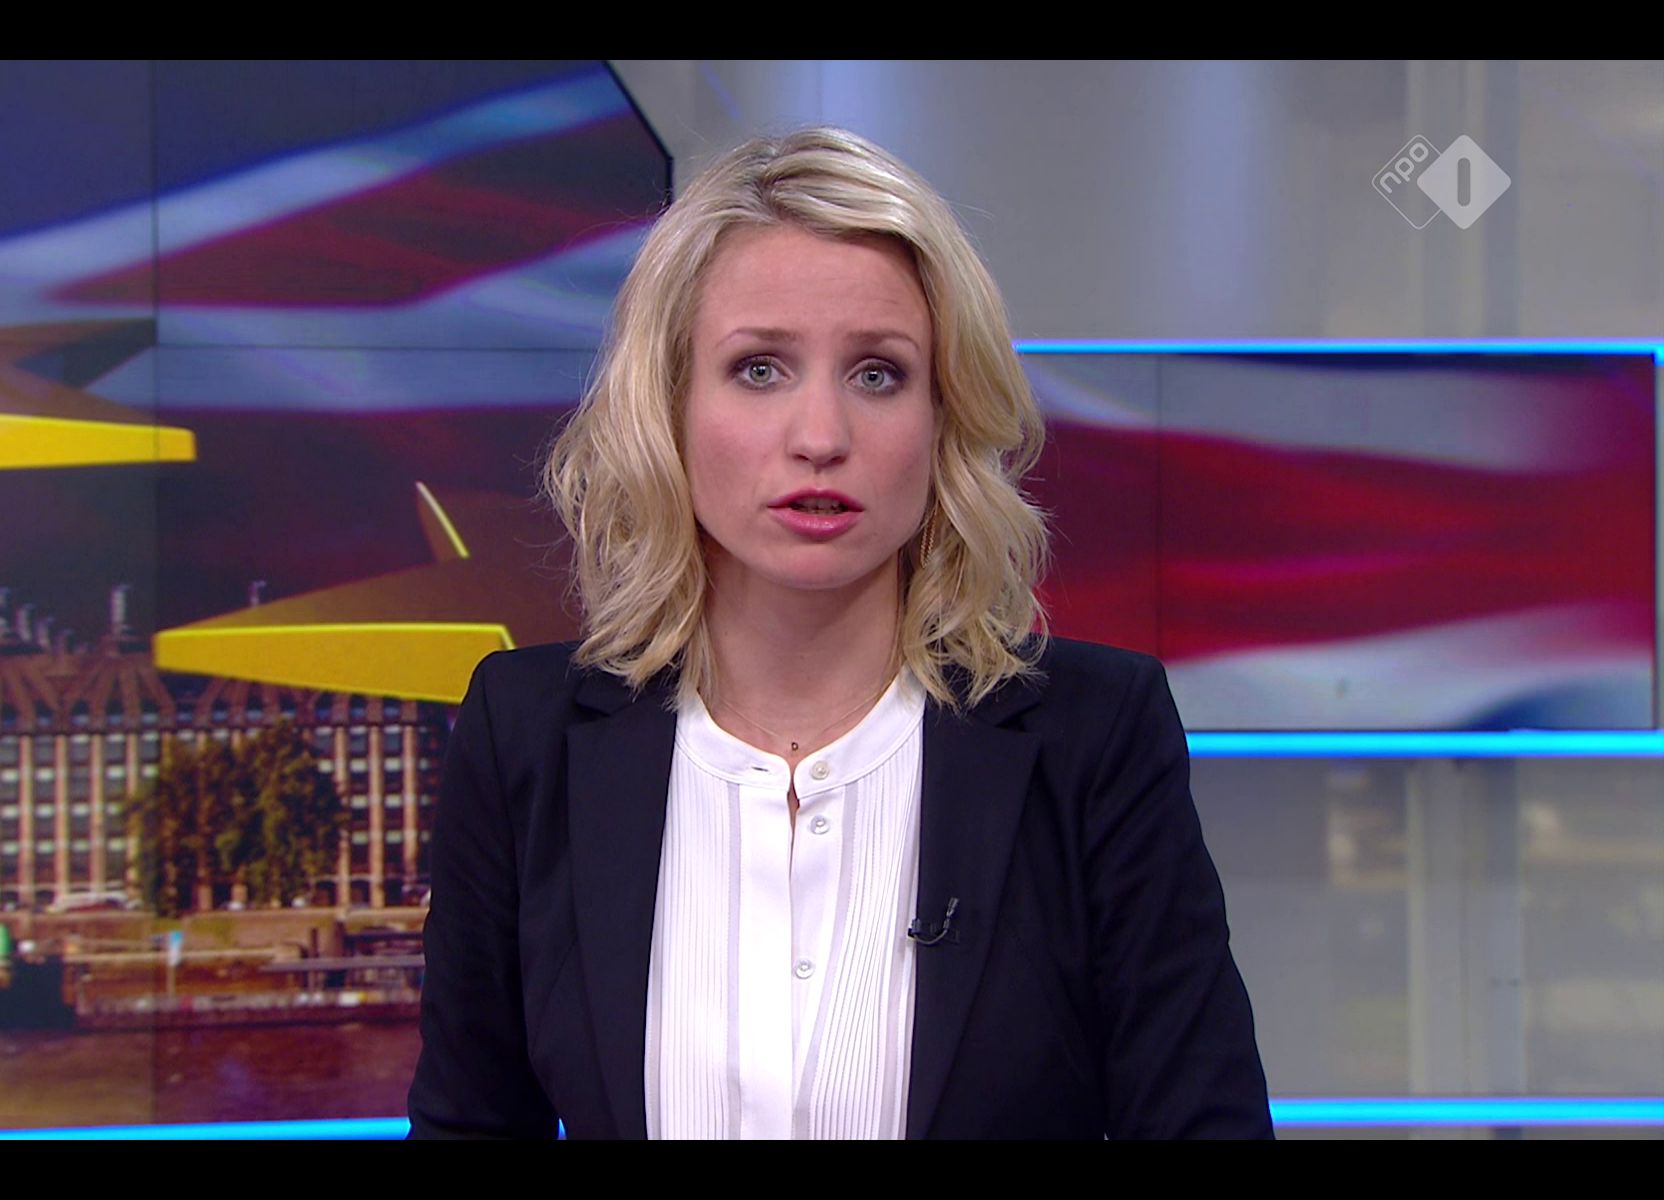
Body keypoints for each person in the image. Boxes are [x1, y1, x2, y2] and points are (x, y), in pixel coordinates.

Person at [407, 127, 1273, 1140]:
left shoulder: (1096, 736)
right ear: (669, 407)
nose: (820, 437)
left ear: (944, 418)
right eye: (759, 369)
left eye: (877, 375)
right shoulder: (525, 736)